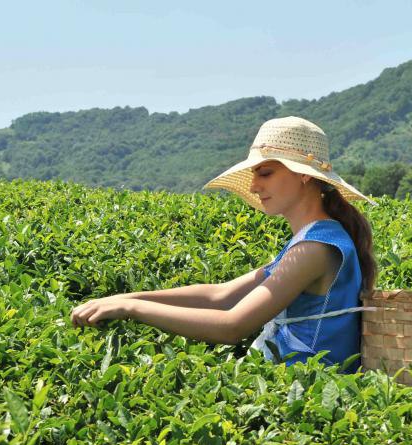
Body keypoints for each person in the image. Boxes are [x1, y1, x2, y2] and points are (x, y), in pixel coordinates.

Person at [69, 116, 378, 372]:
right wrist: (126, 297)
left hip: (305, 392)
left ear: (304, 176)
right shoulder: (312, 240)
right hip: (290, 379)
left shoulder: (315, 248)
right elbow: (222, 294)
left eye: (266, 173)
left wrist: (131, 308)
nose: (255, 186)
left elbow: (232, 326)